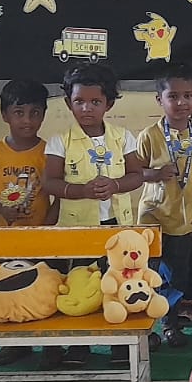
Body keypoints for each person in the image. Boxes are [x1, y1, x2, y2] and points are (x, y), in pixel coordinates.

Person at [46, 62, 144, 366]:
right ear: (68, 103)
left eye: (95, 102)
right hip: (79, 228)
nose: (86, 108)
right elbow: (50, 182)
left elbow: (136, 176)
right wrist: (80, 191)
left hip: (117, 225)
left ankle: (119, 345)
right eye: (79, 101)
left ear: (108, 104)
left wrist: (115, 185)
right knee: (79, 283)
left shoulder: (123, 137)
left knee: (119, 281)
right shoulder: (60, 141)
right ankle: (80, 346)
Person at [137, 63, 192, 348]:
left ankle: (170, 324)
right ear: (159, 99)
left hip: (185, 219)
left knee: (177, 275)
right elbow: (134, 173)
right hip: (152, 218)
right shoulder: (149, 135)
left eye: (188, 95)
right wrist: (155, 174)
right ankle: (146, 329)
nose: (182, 103)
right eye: (173, 96)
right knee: (147, 273)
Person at [0, 79, 53, 368]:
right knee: (10, 288)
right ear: (4, 115)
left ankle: (50, 346)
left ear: (44, 115)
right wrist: (1, 209)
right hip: (6, 238)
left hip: (43, 236)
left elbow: (58, 192)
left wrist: (49, 226)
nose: (27, 120)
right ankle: (15, 345)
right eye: (19, 113)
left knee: (43, 289)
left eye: (35, 113)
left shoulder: (48, 151)